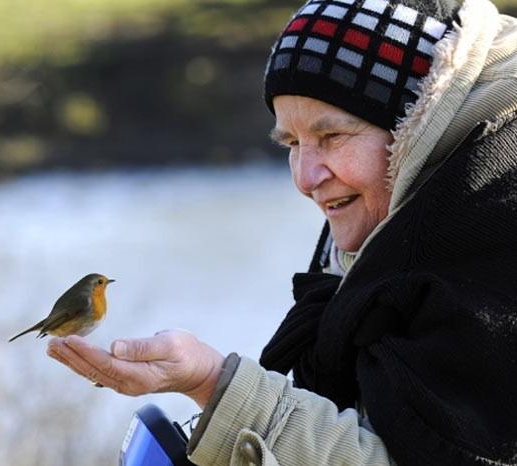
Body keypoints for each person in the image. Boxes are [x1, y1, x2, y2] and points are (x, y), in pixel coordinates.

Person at [47, 0, 517, 463]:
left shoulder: (493, 241)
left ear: (418, 121)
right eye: (292, 143)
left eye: (332, 136)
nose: (305, 178)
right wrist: (210, 387)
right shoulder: (385, 227)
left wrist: (216, 386)